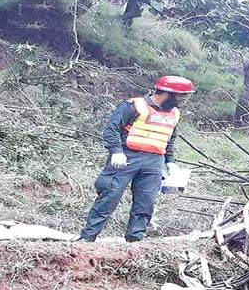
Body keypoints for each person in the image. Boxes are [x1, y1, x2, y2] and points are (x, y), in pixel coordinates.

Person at [78, 75, 195, 242]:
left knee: (145, 203)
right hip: (127, 157)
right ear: (168, 93)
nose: (183, 99)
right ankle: (87, 238)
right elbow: (112, 129)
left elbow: (170, 138)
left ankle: (135, 240)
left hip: (155, 162)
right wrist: (116, 151)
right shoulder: (134, 106)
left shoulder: (175, 113)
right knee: (109, 196)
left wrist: (170, 162)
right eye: (181, 95)